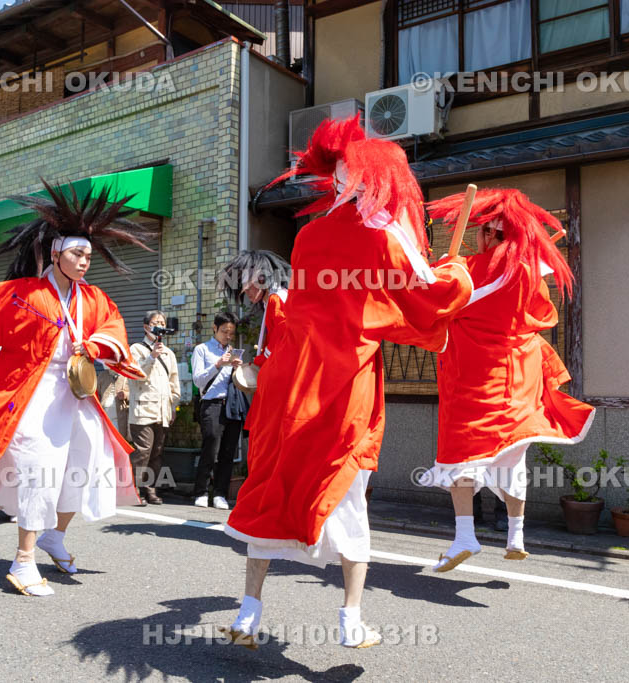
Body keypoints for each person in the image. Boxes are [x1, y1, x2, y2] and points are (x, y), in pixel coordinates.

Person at [220, 117, 474, 649]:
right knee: (349, 488)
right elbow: (425, 301)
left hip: (292, 376)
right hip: (344, 376)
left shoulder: (309, 235)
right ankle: (351, 618)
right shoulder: (384, 237)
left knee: (275, 479)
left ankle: (248, 611)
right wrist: (456, 273)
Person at [0, 181, 152, 597]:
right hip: (33, 393)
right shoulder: (23, 295)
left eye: (89, 256)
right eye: (77, 254)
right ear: (56, 253)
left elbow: (111, 326)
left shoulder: (94, 298)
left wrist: (95, 344)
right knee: (40, 471)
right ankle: (23, 560)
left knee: (86, 462)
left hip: (76, 395)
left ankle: (55, 536)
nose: (84, 262)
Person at [420, 189, 595, 571]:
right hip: (519, 378)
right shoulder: (528, 270)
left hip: (476, 375)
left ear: (486, 234)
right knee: (513, 458)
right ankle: (515, 536)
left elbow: (431, 301)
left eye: (480, 232)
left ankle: (465, 536)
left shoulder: (468, 270)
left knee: (462, 455)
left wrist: (445, 268)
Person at [191, 311, 243, 510]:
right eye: (224, 332)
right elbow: (198, 380)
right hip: (211, 403)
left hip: (230, 405)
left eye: (231, 333)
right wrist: (219, 364)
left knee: (228, 450)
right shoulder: (202, 350)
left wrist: (237, 368)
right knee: (210, 447)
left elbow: (235, 382)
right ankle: (201, 492)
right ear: (214, 328)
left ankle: (220, 493)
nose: (228, 336)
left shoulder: (233, 350)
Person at [127, 310, 180, 506]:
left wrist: (173, 405)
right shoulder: (136, 349)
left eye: (162, 322)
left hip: (162, 411)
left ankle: (150, 490)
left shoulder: (169, 353)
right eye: (155, 322)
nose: (160, 325)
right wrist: (151, 357)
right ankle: (134, 490)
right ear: (146, 326)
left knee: (156, 452)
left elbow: (174, 381)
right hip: (143, 410)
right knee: (143, 451)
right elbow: (135, 375)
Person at [217, 250, 291, 371]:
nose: (246, 293)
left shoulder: (276, 298)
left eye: (247, 287)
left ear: (261, 279)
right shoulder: (271, 300)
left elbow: (282, 336)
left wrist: (261, 360)